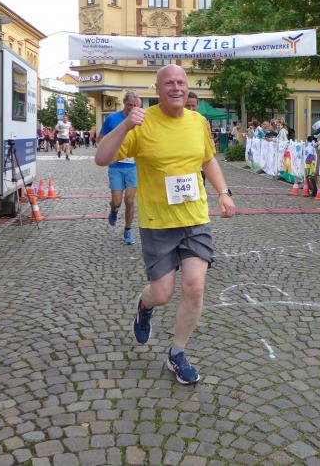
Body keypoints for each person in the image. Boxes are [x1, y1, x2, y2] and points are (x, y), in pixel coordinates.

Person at [94, 64, 236, 385]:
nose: (176, 87)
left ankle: (177, 352)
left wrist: (224, 193)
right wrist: (125, 125)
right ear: (157, 90)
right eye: (169, 83)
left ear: (187, 87)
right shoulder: (141, 123)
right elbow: (102, 158)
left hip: (195, 218)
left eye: (181, 82)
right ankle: (144, 307)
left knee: (195, 286)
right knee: (162, 294)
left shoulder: (198, 122)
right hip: (158, 223)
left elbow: (207, 159)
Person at [100, 92, 141, 245]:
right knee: (117, 201)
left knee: (129, 200)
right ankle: (114, 210)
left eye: (135, 106)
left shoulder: (141, 120)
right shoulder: (112, 119)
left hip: (133, 166)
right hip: (116, 165)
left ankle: (128, 229)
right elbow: (101, 139)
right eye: (130, 105)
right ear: (124, 103)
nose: (132, 108)